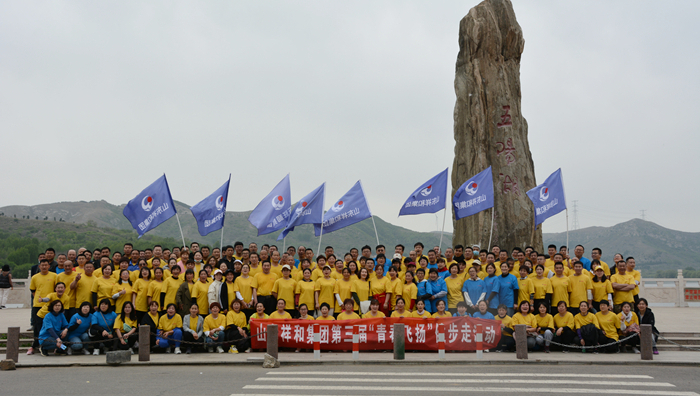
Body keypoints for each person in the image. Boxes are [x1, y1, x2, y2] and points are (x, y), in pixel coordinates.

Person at [28, 259, 57, 355]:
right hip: (38, 305)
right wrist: (37, 298)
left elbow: (57, 289)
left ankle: (50, 345)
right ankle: (36, 345)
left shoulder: (54, 276)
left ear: (49, 266)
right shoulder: (35, 277)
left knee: (50, 325)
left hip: (50, 305)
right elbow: (32, 290)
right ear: (39, 266)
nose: (44, 267)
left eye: (46, 265)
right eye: (42, 265)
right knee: (38, 326)